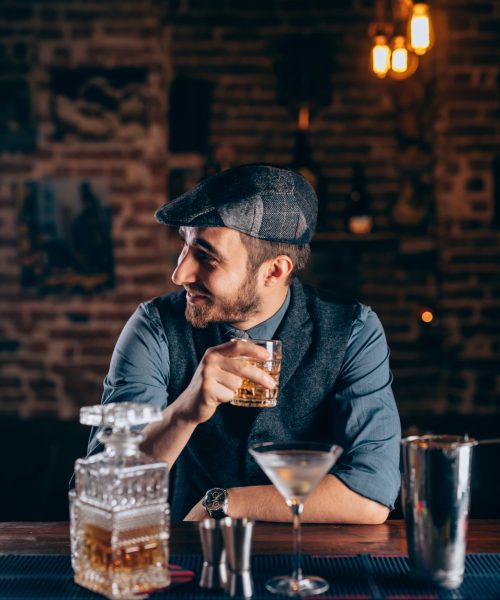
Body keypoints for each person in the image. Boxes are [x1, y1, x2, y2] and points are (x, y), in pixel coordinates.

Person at [87, 163, 401, 524]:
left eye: (206, 256)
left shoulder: (353, 330)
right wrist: (184, 412)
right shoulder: (154, 326)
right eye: (184, 245)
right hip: (189, 559)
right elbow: (105, 493)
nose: (180, 274)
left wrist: (224, 503)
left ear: (274, 271)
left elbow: (371, 493)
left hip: (314, 564)